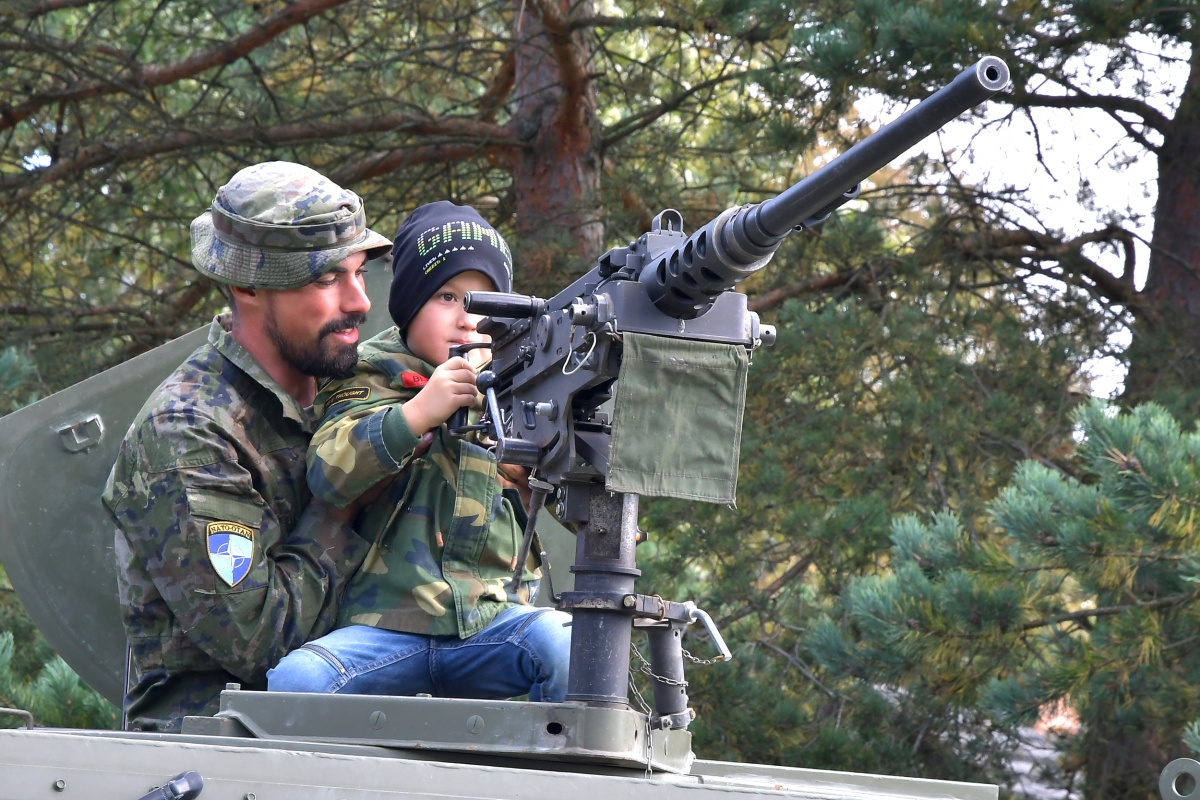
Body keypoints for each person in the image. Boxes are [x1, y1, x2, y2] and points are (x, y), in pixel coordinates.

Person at [102, 161, 395, 731]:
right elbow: (257, 641)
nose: (360, 301)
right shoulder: (188, 431)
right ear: (247, 286)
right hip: (222, 750)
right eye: (326, 279)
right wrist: (344, 498)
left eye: (359, 272)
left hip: (365, 730)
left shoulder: (356, 388)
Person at [266, 201, 571, 702]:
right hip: (383, 629)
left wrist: (540, 468)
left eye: (485, 302)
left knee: (573, 650)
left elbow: (581, 509)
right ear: (409, 304)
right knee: (296, 683)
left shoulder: (520, 388)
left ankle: (544, 755)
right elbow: (328, 473)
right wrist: (418, 413)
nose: (468, 319)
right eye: (447, 296)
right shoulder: (369, 371)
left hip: (493, 624)